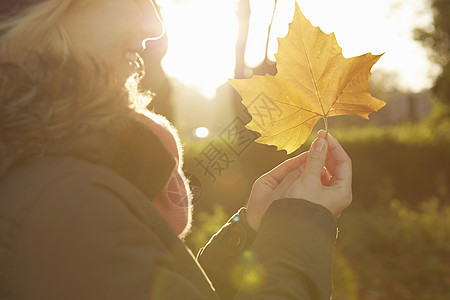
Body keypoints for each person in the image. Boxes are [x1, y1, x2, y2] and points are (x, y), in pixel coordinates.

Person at [0, 0, 352, 299]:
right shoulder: (67, 204)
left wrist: (252, 231)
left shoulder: (56, 178)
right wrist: (300, 228)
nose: (154, 23)